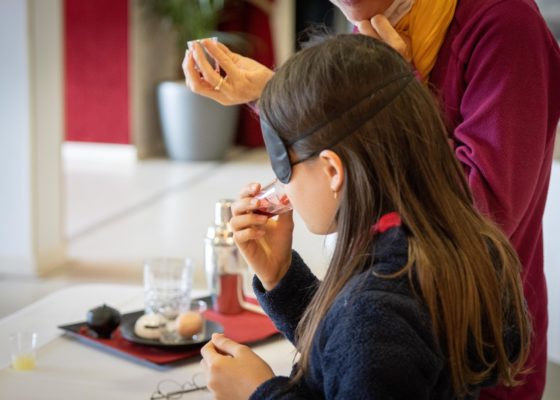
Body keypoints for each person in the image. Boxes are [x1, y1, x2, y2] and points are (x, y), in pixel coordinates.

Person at [185, 1, 560, 397]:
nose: (281, 190)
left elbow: (373, 333)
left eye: (284, 163)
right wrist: (282, 279)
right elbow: (355, 350)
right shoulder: (378, 301)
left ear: (332, 169)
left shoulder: (502, 24)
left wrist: (259, 392)